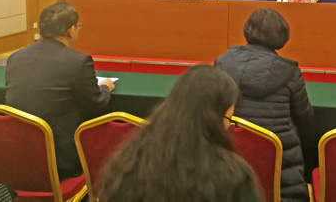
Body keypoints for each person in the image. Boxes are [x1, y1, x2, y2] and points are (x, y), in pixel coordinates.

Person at [98, 65, 262, 202]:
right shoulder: (233, 176)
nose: (228, 128)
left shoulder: (126, 162)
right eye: (228, 120)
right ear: (214, 120)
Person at [5, 2, 114, 179]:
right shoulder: (78, 62)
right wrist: (105, 87)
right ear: (71, 30)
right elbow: (97, 105)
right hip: (62, 162)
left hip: (18, 156)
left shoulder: (15, 58)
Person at [215, 8, 313, 202]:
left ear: (248, 30)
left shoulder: (223, 62)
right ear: (281, 36)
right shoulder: (290, 71)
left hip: (228, 166)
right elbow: (305, 117)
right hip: (282, 174)